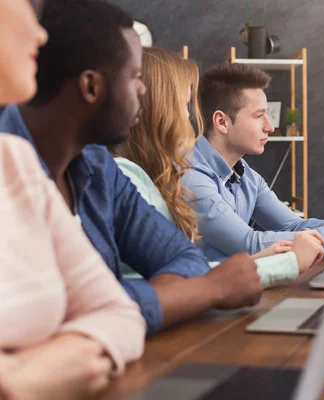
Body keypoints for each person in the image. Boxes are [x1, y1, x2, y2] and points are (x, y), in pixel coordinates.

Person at [0, 0, 263, 337]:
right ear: (91, 87)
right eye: (136, 77)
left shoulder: (97, 164)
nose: (144, 91)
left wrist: (158, 302)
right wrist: (206, 291)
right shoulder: (13, 162)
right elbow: (51, 315)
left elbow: (180, 259)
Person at [0, 0, 145, 398]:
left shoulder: (15, 162)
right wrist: (18, 383)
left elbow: (119, 312)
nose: (40, 34)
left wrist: (60, 359)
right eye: (23, 7)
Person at [112, 47, 324, 287]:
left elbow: (183, 273)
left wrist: (256, 262)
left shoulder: (148, 178)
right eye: (183, 106)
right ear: (157, 109)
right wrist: (278, 263)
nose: (189, 118)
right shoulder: (130, 180)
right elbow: (170, 284)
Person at [184, 62, 324, 262]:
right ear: (222, 121)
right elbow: (247, 244)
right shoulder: (192, 175)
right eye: (258, 116)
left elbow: (293, 225)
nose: (269, 126)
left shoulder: (245, 175)